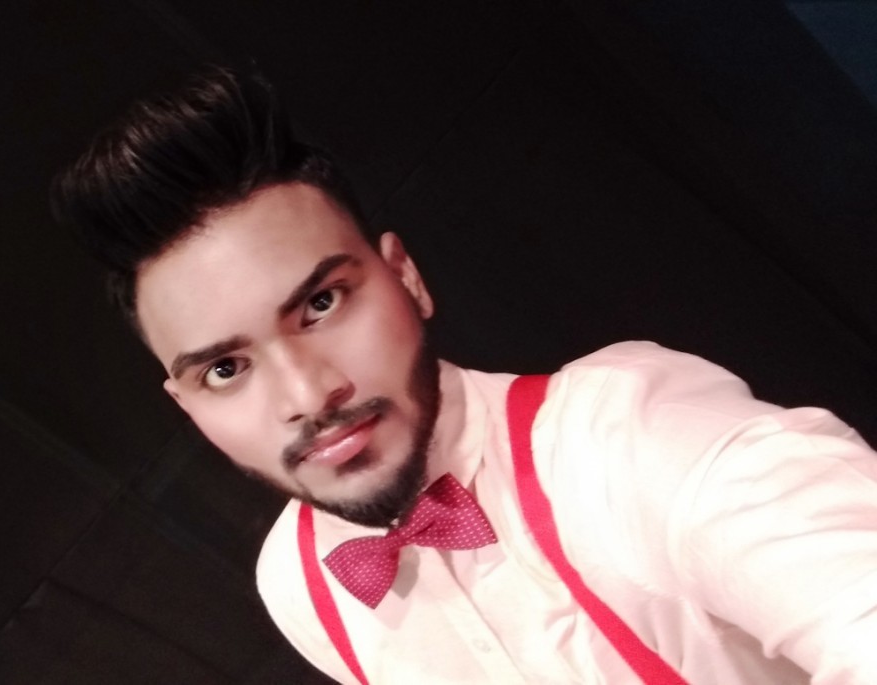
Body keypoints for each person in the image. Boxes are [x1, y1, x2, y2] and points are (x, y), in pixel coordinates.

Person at [50, 66, 877, 684]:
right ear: (186, 403)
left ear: (405, 277)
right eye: (227, 367)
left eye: (321, 303)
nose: (307, 395)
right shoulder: (300, 584)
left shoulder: (626, 436)